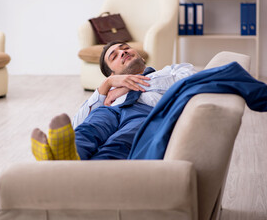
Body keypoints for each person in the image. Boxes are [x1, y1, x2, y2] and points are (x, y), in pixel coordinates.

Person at [31, 41, 196, 161]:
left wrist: (131, 85)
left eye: (125, 48)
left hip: (144, 111)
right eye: (114, 56)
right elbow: (77, 123)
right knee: (89, 129)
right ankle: (65, 159)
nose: (122, 52)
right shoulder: (107, 93)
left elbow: (189, 79)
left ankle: (85, 173)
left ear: (141, 58)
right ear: (112, 74)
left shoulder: (170, 70)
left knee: (118, 142)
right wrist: (107, 84)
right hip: (111, 110)